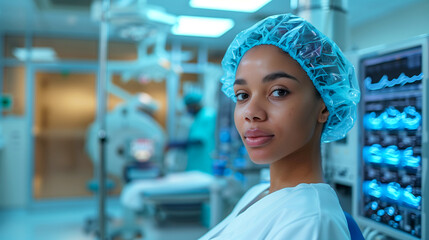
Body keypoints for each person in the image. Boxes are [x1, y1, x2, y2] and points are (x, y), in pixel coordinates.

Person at [199, 13, 360, 240]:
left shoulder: (311, 222)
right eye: (242, 95)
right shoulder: (260, 193)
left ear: (325, 106)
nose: (251, 113)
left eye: (279, 92)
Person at [167, 92, 217, 174]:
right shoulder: (199, 117)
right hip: (196, 161)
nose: (187, 110)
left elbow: (198, 140)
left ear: (194, 105)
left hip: (203, 162)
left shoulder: (206, 115)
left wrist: (174, 144)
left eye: (188, 107)